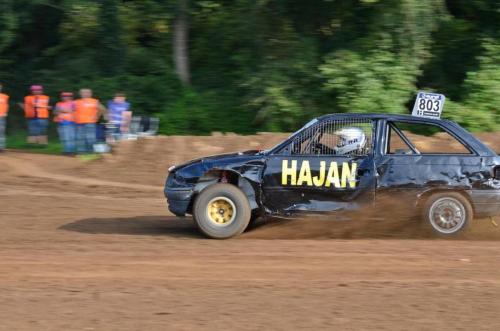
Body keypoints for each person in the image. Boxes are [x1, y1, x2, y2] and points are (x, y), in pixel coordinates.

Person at [74, 89, 107, 153]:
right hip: (79, 123)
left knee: (90, 138)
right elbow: (71, 110)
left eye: (87, 92)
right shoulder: (76, 102)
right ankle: (81, 152)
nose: (85, 94)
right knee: (80, 138)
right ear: (80, 94)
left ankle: (90, 151)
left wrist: (97, 116)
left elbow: (103, 109)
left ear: (91, 94)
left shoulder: (94, 101)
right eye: (83, 92)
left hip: (90, 123)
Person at [0, 83, 9, 152]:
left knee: (1, 132)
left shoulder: (5, 96)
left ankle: (1, 147)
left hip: (1, 116)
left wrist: (6, 112)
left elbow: (6, 105)